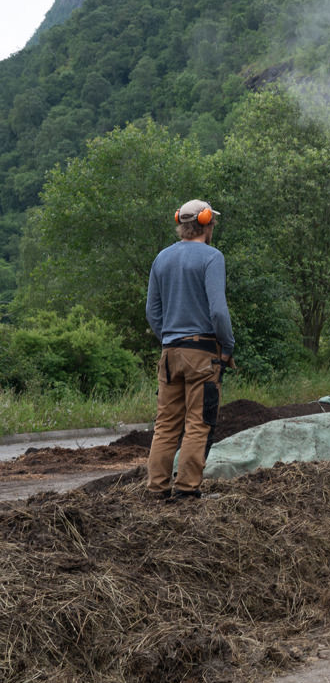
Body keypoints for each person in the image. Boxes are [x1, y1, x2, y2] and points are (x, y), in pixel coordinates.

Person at [144, 199, 235, 500]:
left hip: (169, 354)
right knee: (199, 422)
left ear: (181, 224)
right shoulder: (212, 257)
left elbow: (152, 312)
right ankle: (186, 489)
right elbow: (219, 313)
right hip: (203, 354)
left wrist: (169, 338)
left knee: (166, 424)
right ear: (207, 223)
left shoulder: (162, 258)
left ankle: (157, 489)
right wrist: (227, 346)